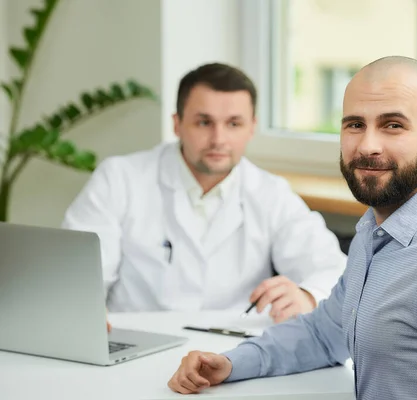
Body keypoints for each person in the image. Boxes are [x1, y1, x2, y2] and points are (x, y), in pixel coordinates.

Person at [166, 56, 417, 399]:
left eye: (393, 125)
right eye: (355, 124)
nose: (368, 145)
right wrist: (230, 363)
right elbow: (325, 333)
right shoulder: (377, 230)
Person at [62, 63, 347, 325]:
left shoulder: (271, 193)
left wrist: (308, 295)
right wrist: (83, 311)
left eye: (233, 124)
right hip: (134, 339)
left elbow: (332, 268)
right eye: (204, 122)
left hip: (230, 350)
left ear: (252, 128)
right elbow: (79, 279)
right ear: (177, 124)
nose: (218, 139)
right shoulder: (119, 179)